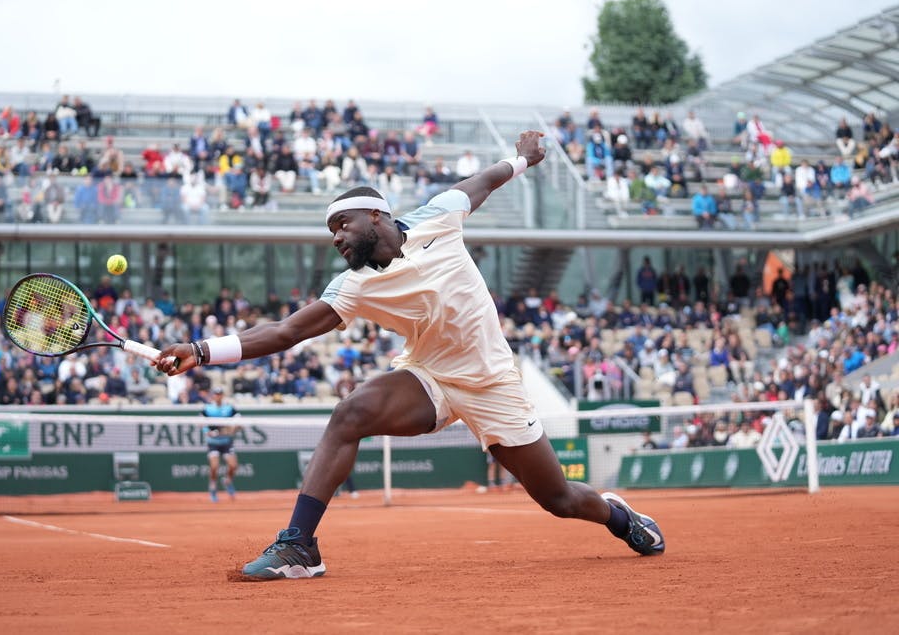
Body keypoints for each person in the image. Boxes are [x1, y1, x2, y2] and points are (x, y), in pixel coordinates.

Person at [155, 131, 665, 580]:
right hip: (430, 376)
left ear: (375, 215)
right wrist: (201, 351)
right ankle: (299, 545)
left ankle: (620, 518)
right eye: (331, 232)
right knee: (349, 413)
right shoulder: (352, 286)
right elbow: (288, 331)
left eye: (342, 225)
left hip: (492, 384)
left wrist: (525, 159)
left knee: (560, 500)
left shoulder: (439, 216)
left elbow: (485, 181)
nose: (336, 238)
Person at [202, 386, 241, 502]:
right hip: (213, 443)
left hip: (226, 442)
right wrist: (208, 432)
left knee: (233, 466)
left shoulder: (229, 408)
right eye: (216, 394)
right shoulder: (207, 408)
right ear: (213, 396)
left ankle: (227, 481)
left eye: (220, 394)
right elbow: (200, 422)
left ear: (222, 395)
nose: (218, 396)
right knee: (214, 467)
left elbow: (239, 420)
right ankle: (213, 487)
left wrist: (233, 428)